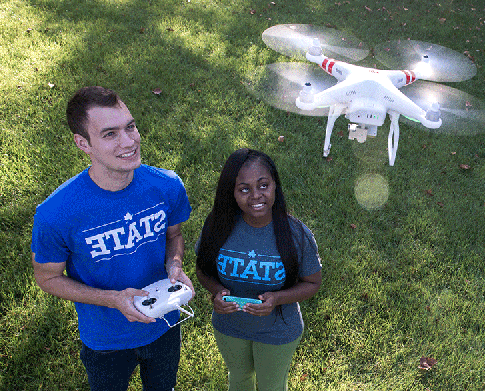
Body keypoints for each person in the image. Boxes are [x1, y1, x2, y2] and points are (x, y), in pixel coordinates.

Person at [31, 86, 193, 391]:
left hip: (164, 323)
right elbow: (48, 278)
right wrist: (112, 299)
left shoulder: (167, 186)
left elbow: (174, 235)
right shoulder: (56, 213)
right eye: (110, 134)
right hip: (105, 340)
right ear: (83, 143)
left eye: (130, 127)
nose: (129, 141)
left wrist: (174, 265)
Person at [195, 148, 322, 391]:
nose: (255, 195)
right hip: (229, 327)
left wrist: (277, 299)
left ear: (275, 186)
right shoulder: (217, 226)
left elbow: (312, 282)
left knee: (271, 387)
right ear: (231, 192)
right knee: (239, 379)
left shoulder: (296, 234)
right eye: (244, 189)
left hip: (278, 331)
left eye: (263, 185)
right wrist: (217, 291)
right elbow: (202, 270)